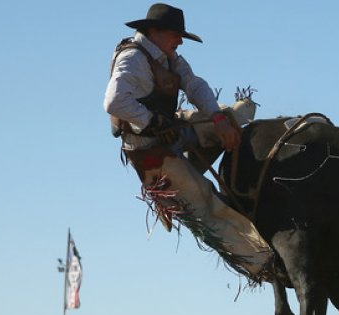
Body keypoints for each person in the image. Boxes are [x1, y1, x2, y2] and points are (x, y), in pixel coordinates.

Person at [104, 3, 273, 281]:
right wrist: (152, 122)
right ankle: (263, 263)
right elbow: (113, 101)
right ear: (154, 31)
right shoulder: (132, 58)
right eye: (176, 34)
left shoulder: (169, 56)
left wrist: (219, 120)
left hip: (173, 129)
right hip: (148, 150)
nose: (180, 40)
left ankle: (188, 171)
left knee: (232, 118)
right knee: (205, 202)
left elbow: (194, 85)